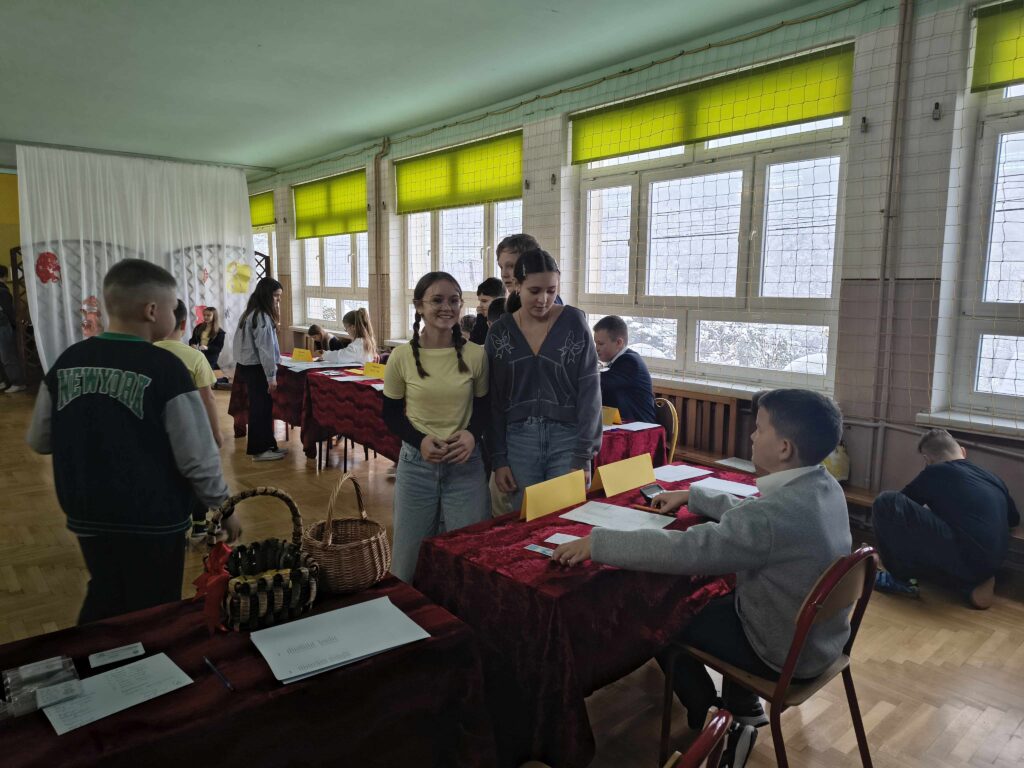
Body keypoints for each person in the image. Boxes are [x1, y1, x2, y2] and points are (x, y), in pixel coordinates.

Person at [553, 388, 851, 767]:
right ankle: (740, 705)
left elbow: (686, 550)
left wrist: (598, 543)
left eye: (760, 429)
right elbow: (755, 517)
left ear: (784, 448)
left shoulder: (770, 518)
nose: (752, 436)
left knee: (659, 614)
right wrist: (693, 496)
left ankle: (712, 715)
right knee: (702, 599)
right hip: (821, 641)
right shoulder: (823, 486)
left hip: (779, 651)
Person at [26, 259, 233, 623]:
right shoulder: (167, 368)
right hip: (154, 516)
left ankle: (97, 653)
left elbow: (40, 440)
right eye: (172, 306)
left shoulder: (67, 360)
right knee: (155, 606)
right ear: (152, 311)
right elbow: (196, 455)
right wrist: (224, 506)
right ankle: (147, 657)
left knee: (106, 589)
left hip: (87, 511)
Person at [383, 272, 490, 582]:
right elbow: (391, 414)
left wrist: (471, 435)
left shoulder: (476, 355)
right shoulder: (401, 357)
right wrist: (420, 440)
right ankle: (407, 611)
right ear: (419, 306)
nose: (447, 307)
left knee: (469, 558)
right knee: (407, 559)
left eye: (454, 300)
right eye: (437, 300)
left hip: (465, 467)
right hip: (417, 467)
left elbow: (484, 408)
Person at [486, 249, 602, 510]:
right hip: (519, 442)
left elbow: (590, 392)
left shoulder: (574, 322)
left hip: (568, 439)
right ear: (517, 286)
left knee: (564, 518)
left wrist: (583, 455)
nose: (543, 299)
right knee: (525, 519)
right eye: (535, 291)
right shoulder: (500, 332)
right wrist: (498, 458)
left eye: (551, 290)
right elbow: (494, 400)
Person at [871, 428, 1019, 608]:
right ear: (963, 451)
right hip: (994, 561)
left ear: (927, 460)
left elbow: (896, 512)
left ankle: (899, 580)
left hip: (969, 559)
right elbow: (1014, 519)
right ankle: (970, 583)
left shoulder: (934, 472)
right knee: (955, 535)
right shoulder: (993, 478)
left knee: (886, 502)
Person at [157, 299, 224, 536]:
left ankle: (171, 521)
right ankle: (199, 522)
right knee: (197, 473)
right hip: (192, 429)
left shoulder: (147, 353)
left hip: (157, 429)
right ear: (185, 324)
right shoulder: (195, 357)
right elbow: (209, 398)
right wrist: (215, 433)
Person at [233, 277, 285, 461]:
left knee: (264, 407)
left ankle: (269, 445)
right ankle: (259, 450)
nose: (278, 300)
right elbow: (266, 349)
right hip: (256, 368)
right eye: (276, 296)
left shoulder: (251, 313)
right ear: (266, 295)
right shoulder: (261, 316)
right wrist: (271, 376)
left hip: (248, 366)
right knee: (260, 408)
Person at [593, 315, 656, 423]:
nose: (596, 348)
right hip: (619, 422)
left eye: (600, 344)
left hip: (640, 427)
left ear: (619, 343)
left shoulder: (630, 362)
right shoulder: (618, 361)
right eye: (595, 343)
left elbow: (598, 382)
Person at [0, 265, 26, 394]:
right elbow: (9, 311)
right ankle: (10, 382)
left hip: (2, 326)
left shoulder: (2, 291)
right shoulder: (3, 290)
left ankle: (16, 382)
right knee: (6, 356)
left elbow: (8, 311)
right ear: (5, 276)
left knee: (7, 356)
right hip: (3, 325)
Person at [188, 306, 226, 371]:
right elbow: (193, 340)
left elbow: (218, 349)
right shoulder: (198, 327)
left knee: (205, 371)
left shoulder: (220, 332)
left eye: (208, 315)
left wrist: (207, 348)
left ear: (214, 316)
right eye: (204, 315)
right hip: (199, 355)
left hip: (211, 357)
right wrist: (193, 344)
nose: (205, 317)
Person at [469, 277, 505, 344]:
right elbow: (474, 343)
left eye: (484, 301)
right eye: (480, 301)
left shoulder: (508, 321)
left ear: (499, 300)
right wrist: (480, 318)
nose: (480, 305)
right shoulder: (483, 319)